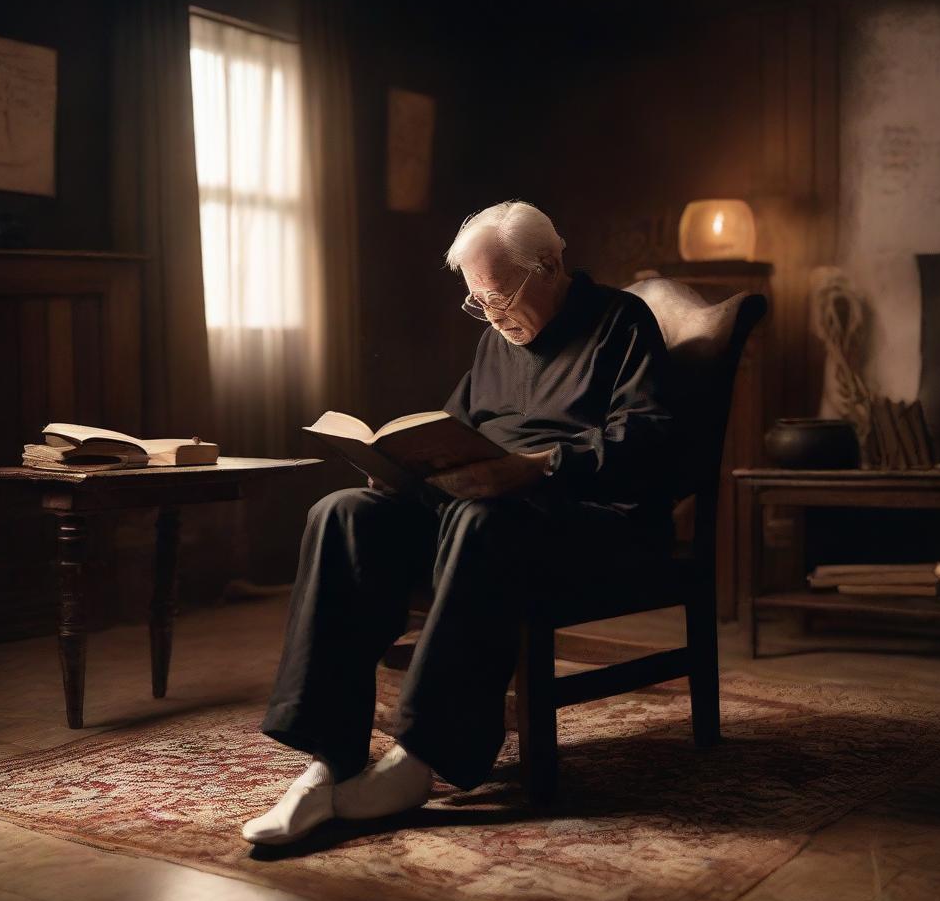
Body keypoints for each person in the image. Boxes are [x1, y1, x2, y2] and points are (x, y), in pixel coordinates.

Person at [241, 200, 676, 845]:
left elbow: (651, 439)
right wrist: (398, 468)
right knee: (343, 513)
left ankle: (420, 760)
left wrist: (540, 465)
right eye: (479, 303)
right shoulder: (495, 339)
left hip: (584, 516)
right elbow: (452, 431)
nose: (492, 316)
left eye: (499, 297)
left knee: (483, 520)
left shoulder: (621, 321)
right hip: (480, 511)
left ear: (551, 265)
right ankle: (328, 759)